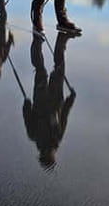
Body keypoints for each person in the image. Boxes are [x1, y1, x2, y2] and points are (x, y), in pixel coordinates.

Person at [22, 33, 76, 170]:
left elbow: (64, 115)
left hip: (51, 98)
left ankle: (51, 41)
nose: (54, 154)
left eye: (52, 157)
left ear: (45, 155)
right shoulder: (36, 136)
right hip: (49, 98)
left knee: (52, 69)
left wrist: (71, 99)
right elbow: (63, 115)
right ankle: (39, 42)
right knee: (43, 70)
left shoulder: (51, 138)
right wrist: (27, 104)